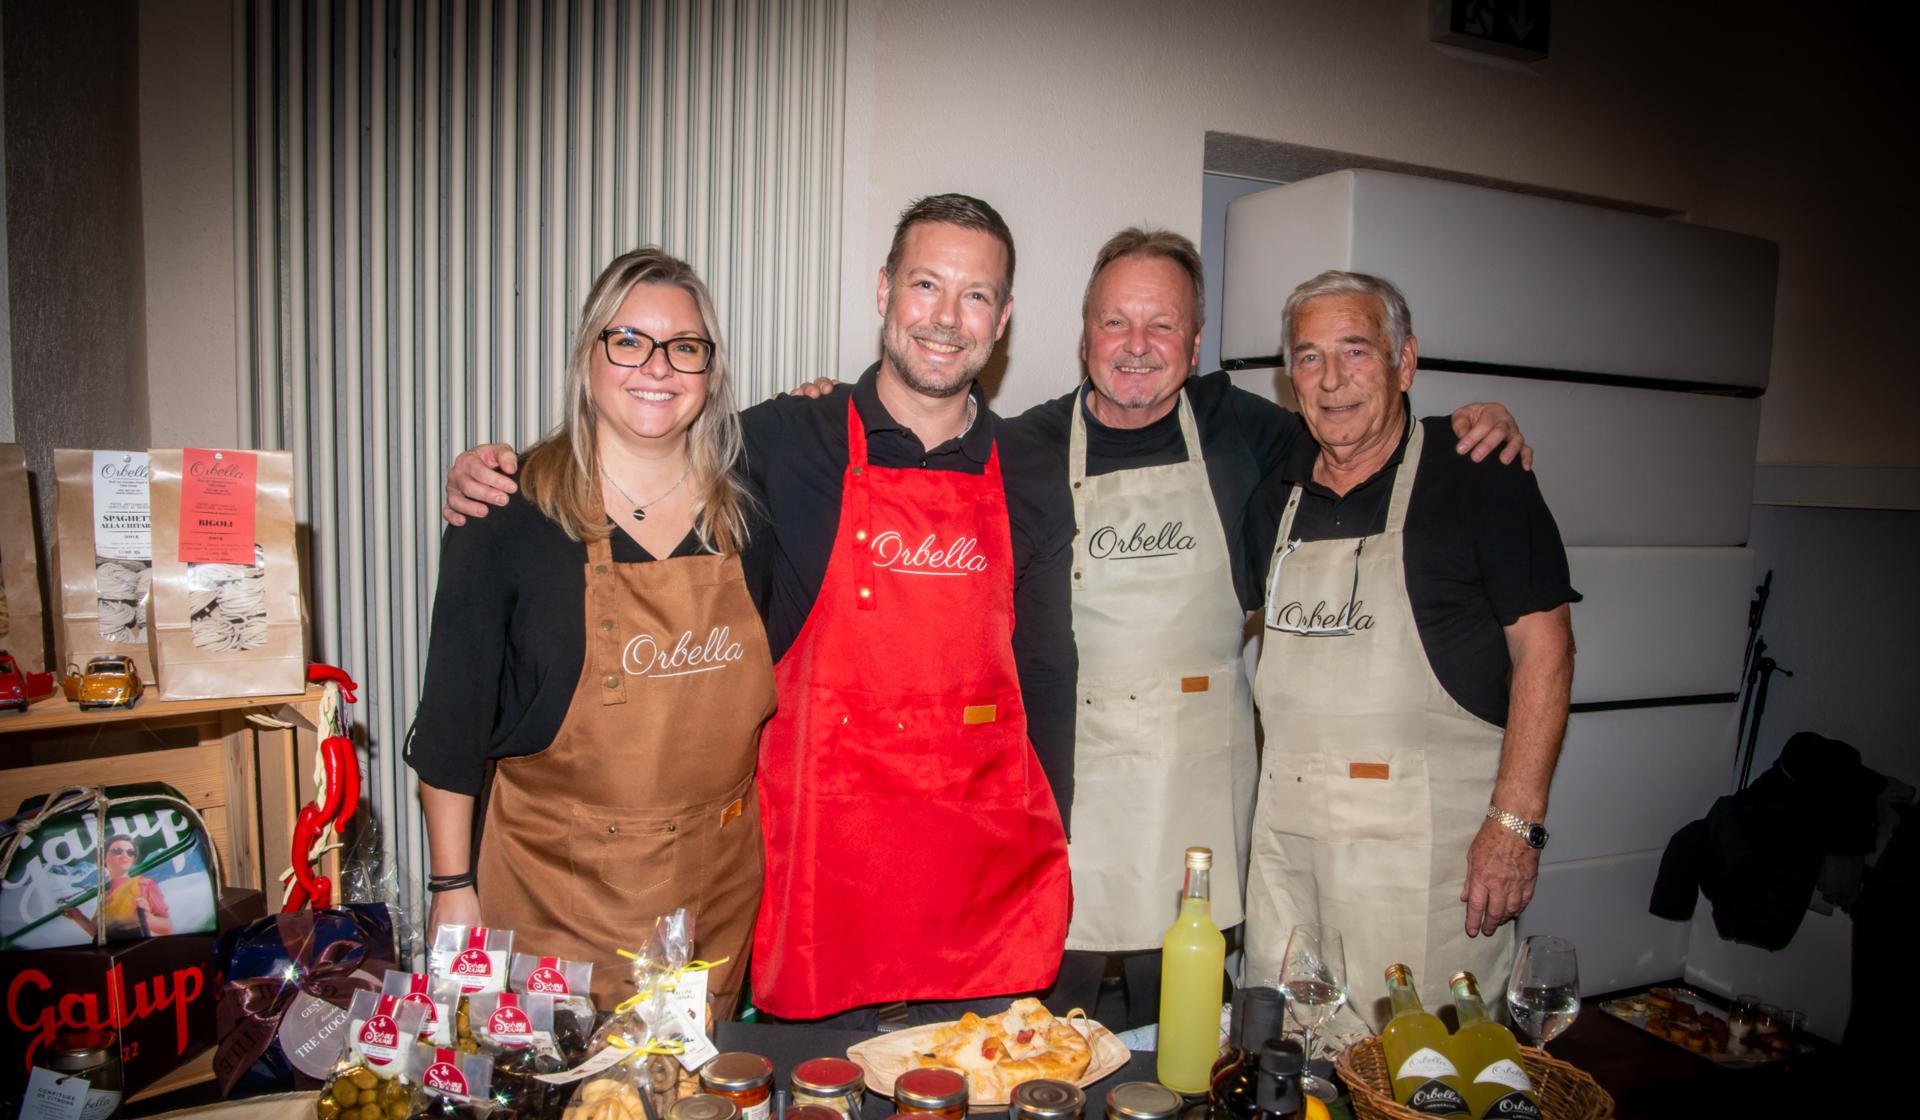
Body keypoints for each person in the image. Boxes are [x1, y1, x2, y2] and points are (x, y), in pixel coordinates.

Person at [780, 229, 1528, 1028]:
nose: (1137, 347)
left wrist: (1465, 428)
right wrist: (827, 412)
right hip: (1058, 819)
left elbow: (1364, 424)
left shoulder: (1255, 437)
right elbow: (911, 460)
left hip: (1197, 818)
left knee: (1187, 1065)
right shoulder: (1021, 448)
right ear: (1081, 336)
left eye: (1162, 326)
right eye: (1114, 323)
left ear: (1196, 343)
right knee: (1039, 1055)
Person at [444, 196, 1074, 1024]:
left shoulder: (1032, 467)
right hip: (823, 887)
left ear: (1005, 318)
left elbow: (1047, 676)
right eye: (925, 284)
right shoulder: (779, 439)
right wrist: (499, 473)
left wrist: (1052, 843)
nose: (947, 318)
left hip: (974, 887)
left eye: (977, 295)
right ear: (884, 290)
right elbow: (645, 432)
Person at [406, 248, 774, 1015]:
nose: (658, 367)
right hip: (555, 897)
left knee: (693, 1119)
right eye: (629, 339)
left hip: (715, 896)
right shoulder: (506, 514)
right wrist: (451, 892)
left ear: (710, 371)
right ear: (589, 354)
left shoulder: (752, 512)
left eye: (686, 347)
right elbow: (451, 727)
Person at [1242, 270, 1577, 1035]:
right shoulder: (1275, 497)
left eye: (1356, 351)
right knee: (1292, 1080)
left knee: (1430, 1082)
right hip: (1290, 858)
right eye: (1309, 357)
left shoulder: (1477, 476)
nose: (1331, 381)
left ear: (1405, 361)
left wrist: (1516, 827)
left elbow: (1546, 653)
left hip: (1422, 867)